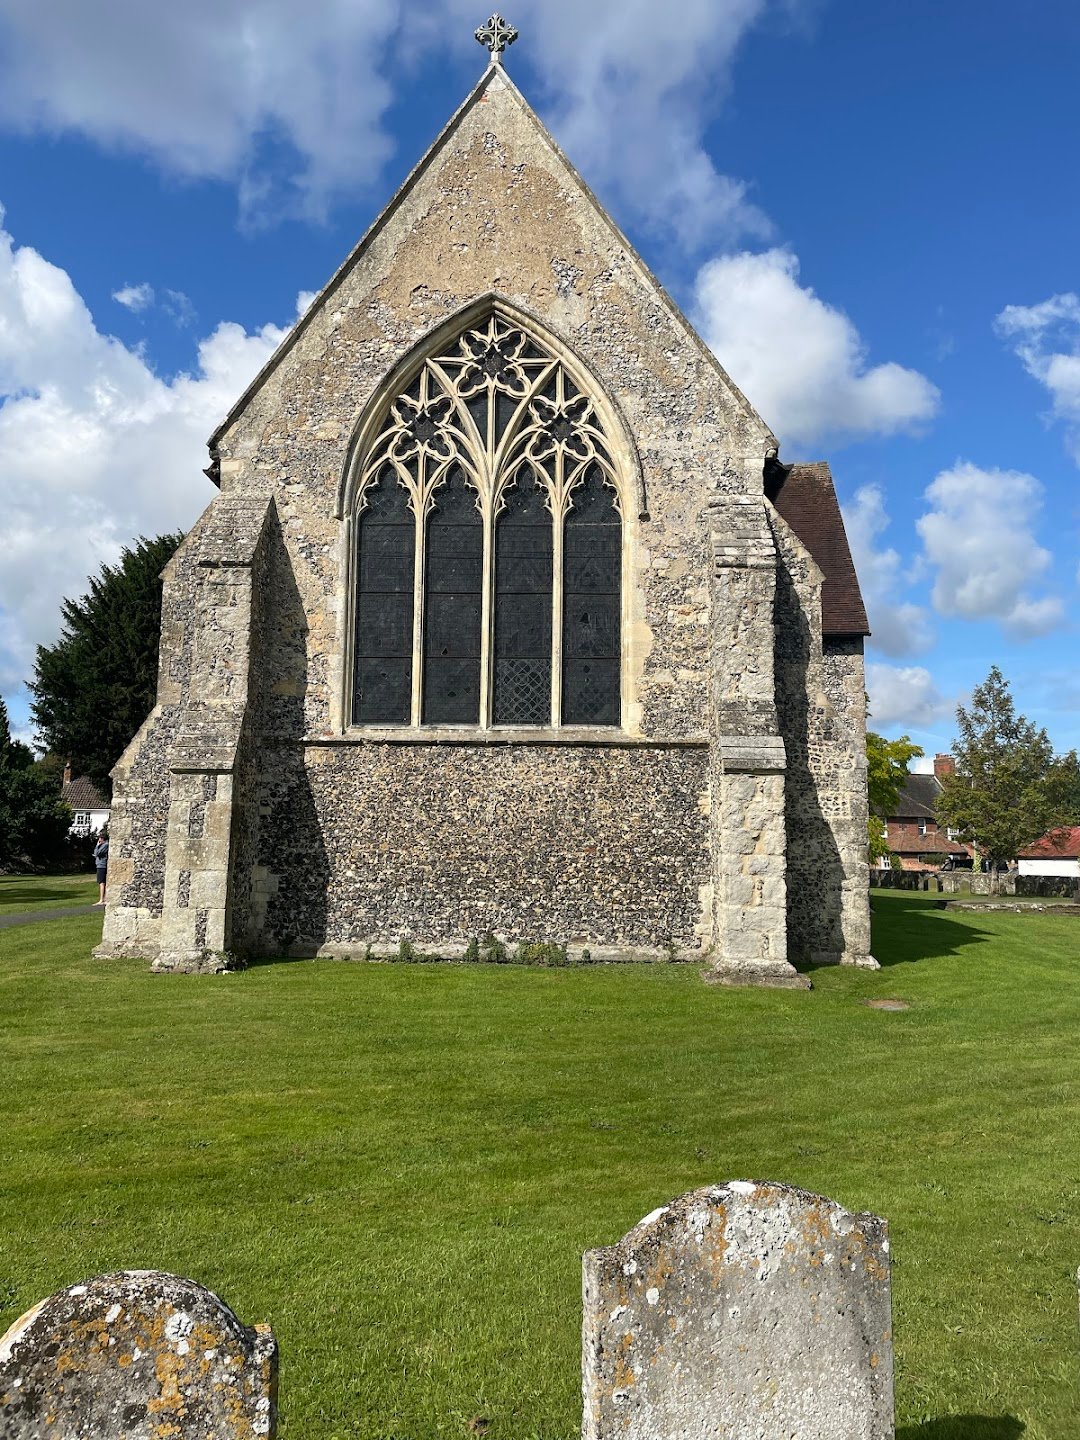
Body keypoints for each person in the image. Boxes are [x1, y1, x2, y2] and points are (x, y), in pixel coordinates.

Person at [93, 830, 109, 906]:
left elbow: (97, 853)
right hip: (100, 865)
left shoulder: (105, 845)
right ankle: (104, 898)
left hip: (102, 865)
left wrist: (97, 846)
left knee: (101, 883)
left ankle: (102, 899)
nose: (99, 840)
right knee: (102, 882)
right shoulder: (103, 845)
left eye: (100, 838)